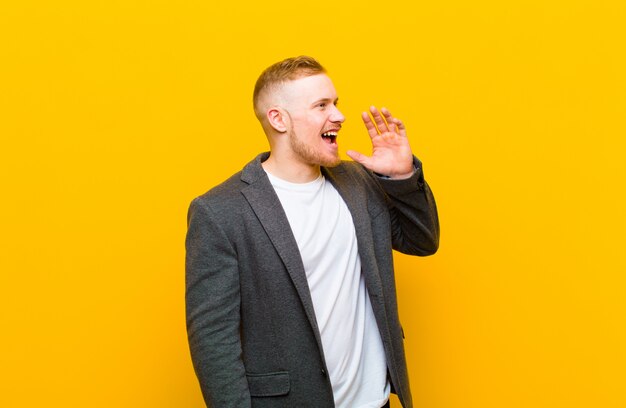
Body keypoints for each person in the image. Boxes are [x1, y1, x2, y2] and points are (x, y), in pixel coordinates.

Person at [185, 56, 439, 408]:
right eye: (321, 105)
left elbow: (422, 241)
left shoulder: (359, 182)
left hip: (376, 402)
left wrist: (401, 177)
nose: (338, 115)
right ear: (278, 119)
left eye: (335, 103)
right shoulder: (220, 211)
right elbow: (213, 341)